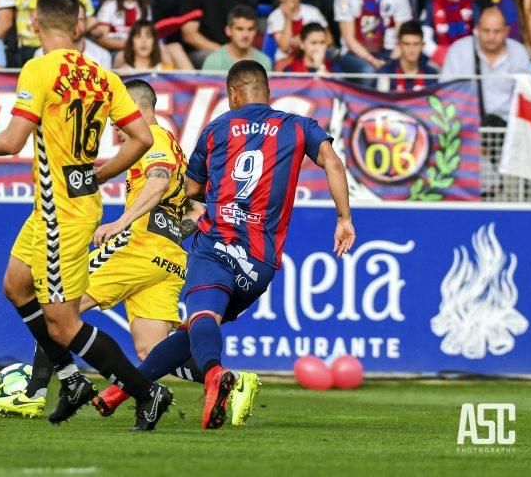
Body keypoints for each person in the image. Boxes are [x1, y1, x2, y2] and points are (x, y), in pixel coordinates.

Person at [0, 0, 174, 431]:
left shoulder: (38, 70)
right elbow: (143, 139)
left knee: (62, 324)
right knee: (16, 285)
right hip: (58, 206)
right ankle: (72, 380)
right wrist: (102, 174)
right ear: (79, 26)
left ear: (34, 23)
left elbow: (13, 141)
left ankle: (145, 391)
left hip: (63, 217)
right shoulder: (104, 75)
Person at [104, 60, 355, 429]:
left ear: (233, 93)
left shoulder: (216, 129)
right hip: (260, 261)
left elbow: (192, 190)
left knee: (202, 318)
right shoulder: (299, 126)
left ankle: (215, 376)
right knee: (196, 326)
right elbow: (332, 162)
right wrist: (343, 218)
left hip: (217, 242)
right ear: (267, 91)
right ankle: (126, 389)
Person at [441, 6, 529, 123]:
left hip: (509, 129)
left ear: (506, 31)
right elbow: (446, 93)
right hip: (467, 126)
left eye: (496, 31)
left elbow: (526, 96)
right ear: (477, 30)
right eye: (486, 31)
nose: (491, 37)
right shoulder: (459, 51)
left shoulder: (519, 53)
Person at [421, 0, 478, 67]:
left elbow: (479, 35)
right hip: (438, 59)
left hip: (467, 59)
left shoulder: (473, 6)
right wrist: (437, 53)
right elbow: (424, 35)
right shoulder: (431, 5)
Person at [266, 0, 331, 63]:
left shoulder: (313, 13)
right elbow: (285, 47)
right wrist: (288, 18)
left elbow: (329, 40)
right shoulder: (275, 16)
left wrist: (300, 41)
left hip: (313, 59)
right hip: (285, 62)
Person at [34, 3, 111, 67]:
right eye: (70, 19)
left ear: (86, 22)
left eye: (79, 20)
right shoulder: (41, 54)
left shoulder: (102, 56)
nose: (74, 24)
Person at [202, 5, 272, 71]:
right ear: (228, 30)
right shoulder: (213, 61)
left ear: (256, 31)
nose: (245, 35)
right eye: (239, 29)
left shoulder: (264, 62)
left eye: (250, 29)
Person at [377, 21, 437, 92]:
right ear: (399, 45)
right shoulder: (386, 72)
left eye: (416, 44)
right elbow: (380, 100)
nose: (411, 49)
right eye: (407, 44)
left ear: (422, 45)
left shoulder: (431, 74)